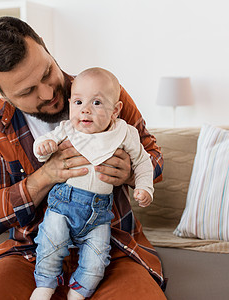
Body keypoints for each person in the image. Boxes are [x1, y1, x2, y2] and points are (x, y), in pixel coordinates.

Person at [0, 16, 166, 299]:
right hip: (30, 255)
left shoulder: (103, 93)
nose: (48, 93)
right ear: (0, 93)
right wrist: (47, 175)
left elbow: (154, 158)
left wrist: (131, 174)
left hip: (113, 248)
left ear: (46, 49)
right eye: (27, 91)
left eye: (47, 72)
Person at [30, 67, 154, 300]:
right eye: (78, 102)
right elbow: (44, 144)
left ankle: (78, 291)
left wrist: (144, 186)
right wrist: (43, 147)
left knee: (98, 258)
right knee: (50, 244)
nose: (85, 109)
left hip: (99, 214)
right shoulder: (68, 130)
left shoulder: (124, 134)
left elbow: (143, 161)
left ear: (115, 110)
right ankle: (45, 284)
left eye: (97, 103)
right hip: (63, 205)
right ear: (70, 104)